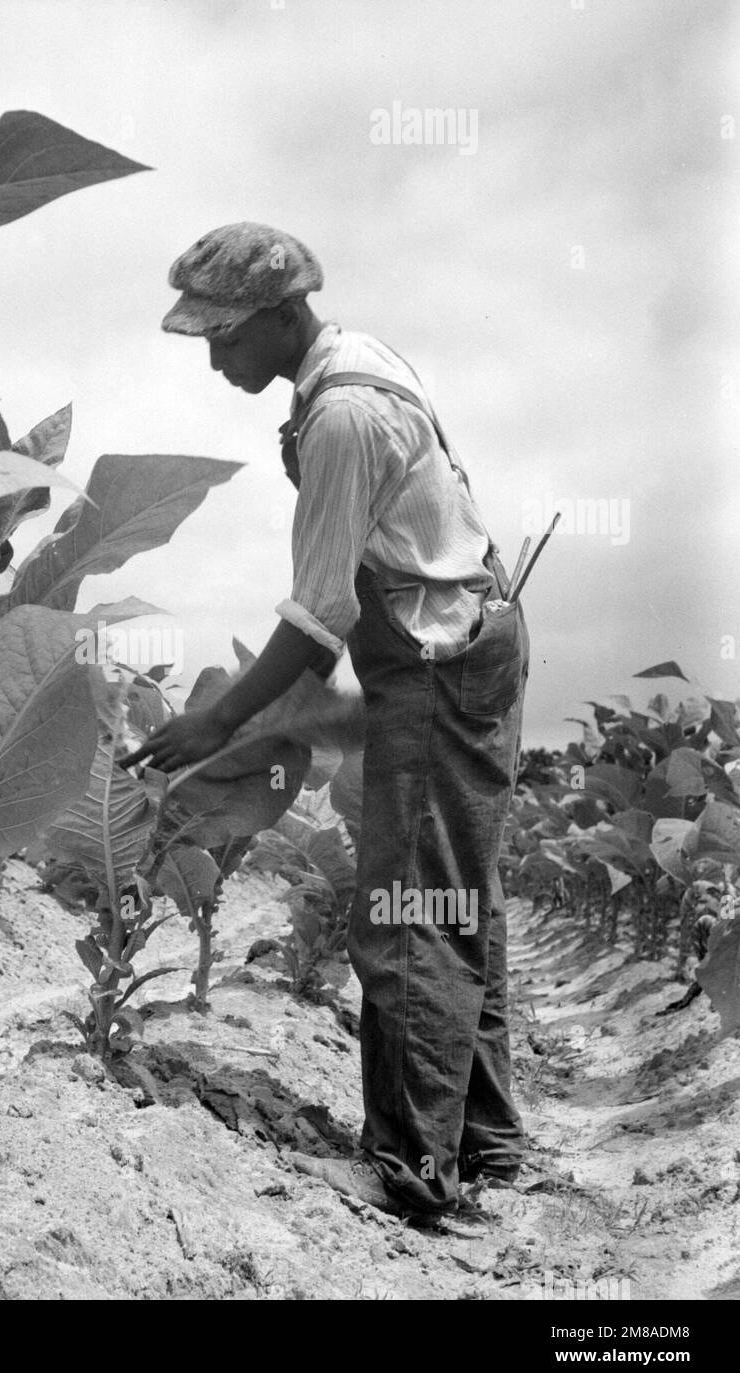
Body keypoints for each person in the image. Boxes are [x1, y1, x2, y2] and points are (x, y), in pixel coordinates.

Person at [122, 223, 530, 1222]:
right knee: (453, 894)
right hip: (461, 639)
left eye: (223, 336)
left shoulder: (340, 413)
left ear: (280, 314)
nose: (213, 356)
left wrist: (215, 721)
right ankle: (484, 1140)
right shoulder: (352, 360)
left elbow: (317, 617)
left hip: (435, 659)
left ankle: (413, 1171)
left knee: (404, 910)